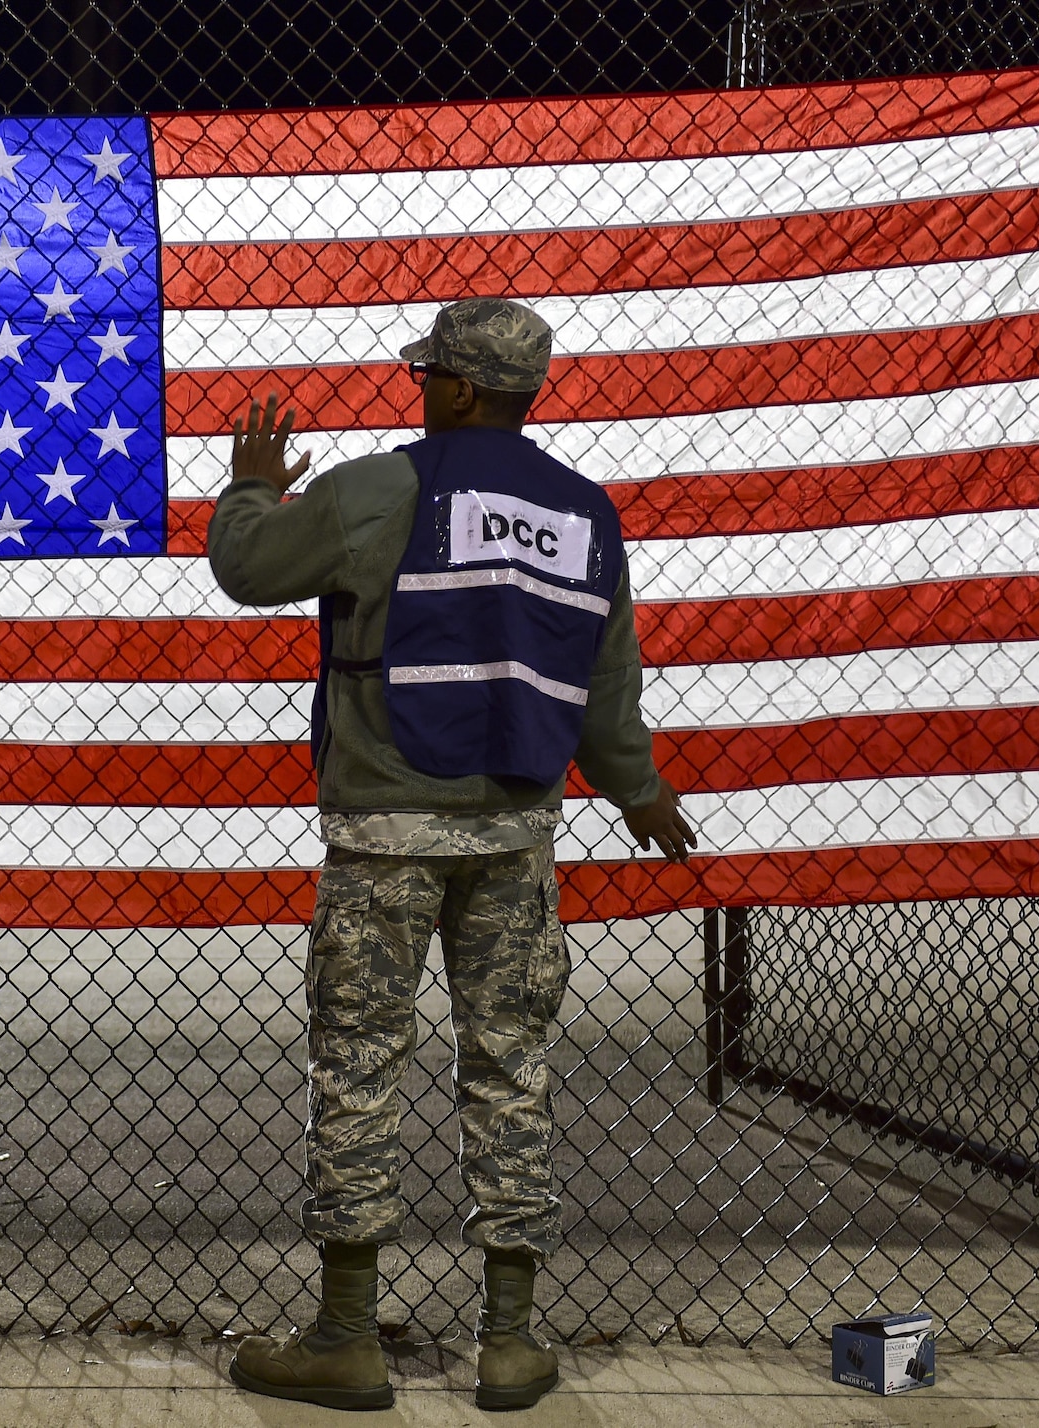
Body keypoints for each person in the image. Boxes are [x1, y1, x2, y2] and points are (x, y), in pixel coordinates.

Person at [208, 298, 696, 1411]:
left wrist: (250, 488)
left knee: (361, 1068)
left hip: (386, 833)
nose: (417, 387)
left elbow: (248, 568)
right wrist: (636, 788)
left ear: (460, 389)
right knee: (510, 1072)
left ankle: (344, 1337)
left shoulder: (381, 489)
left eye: (428, 374)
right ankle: (510, 1343)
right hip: (515, 838)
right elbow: (602, 675)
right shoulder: (583, 512)